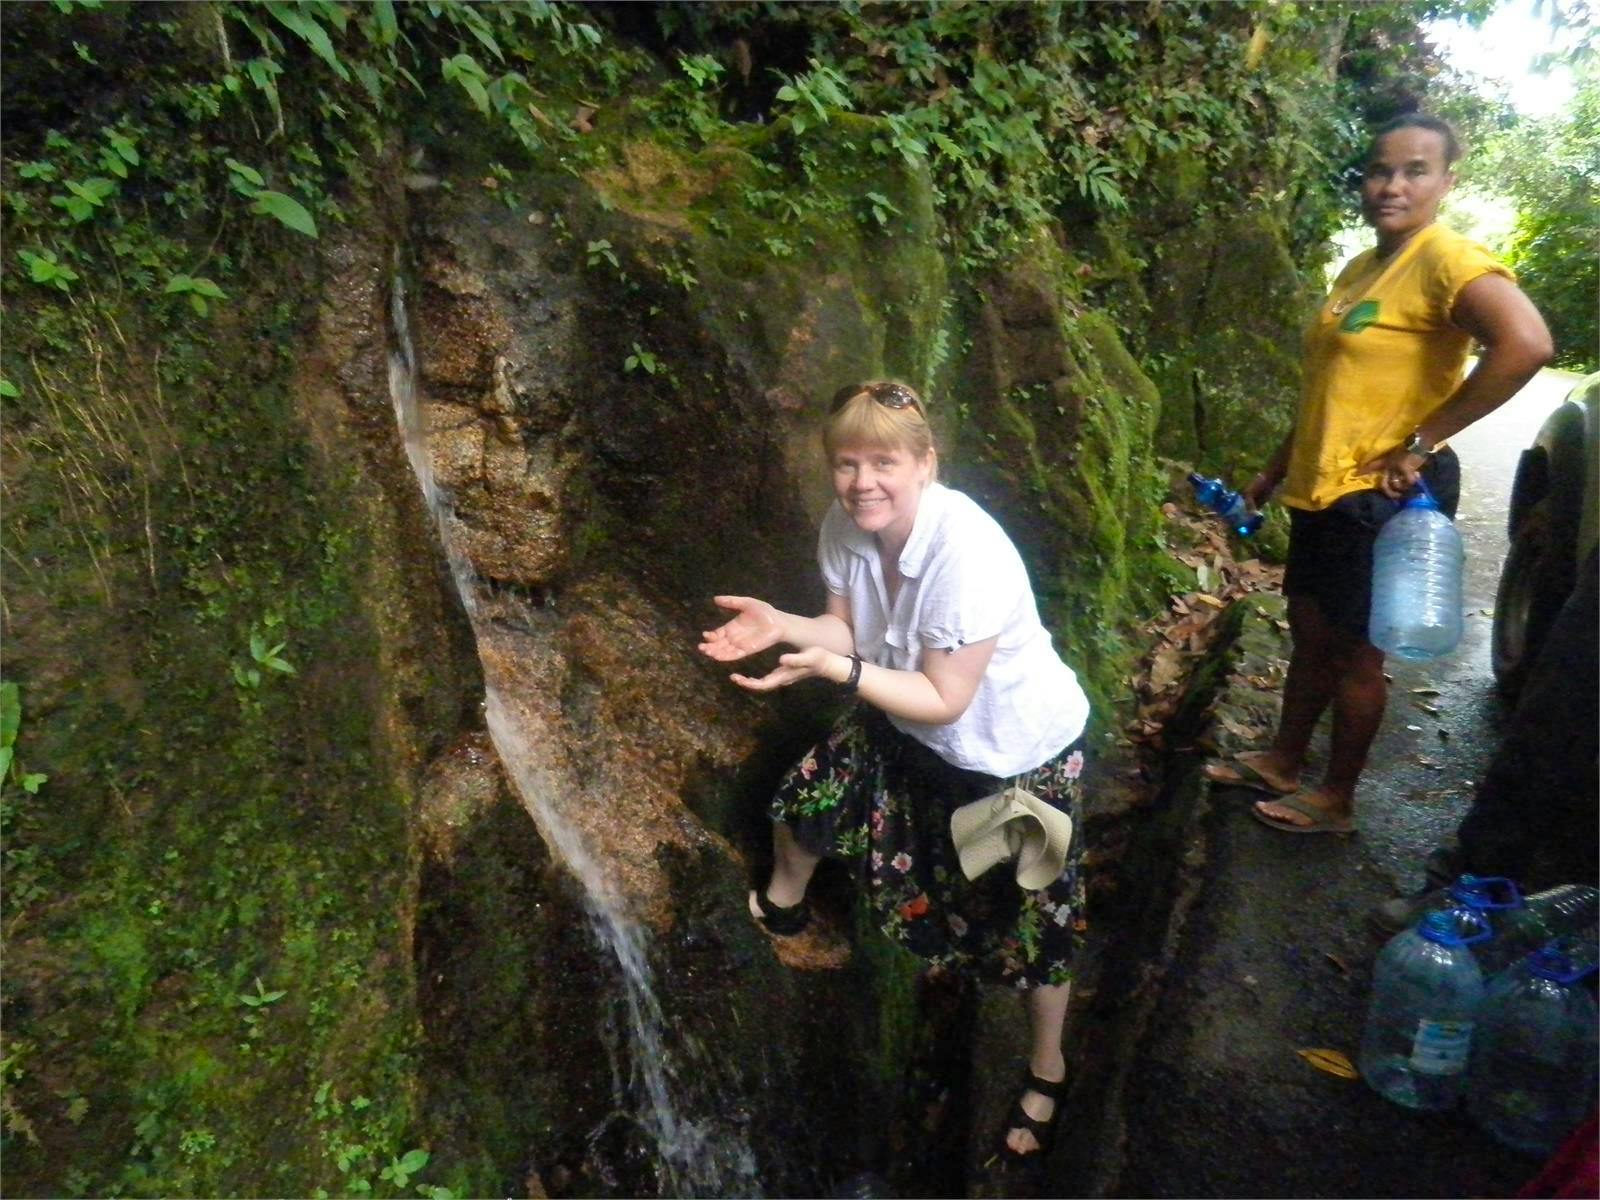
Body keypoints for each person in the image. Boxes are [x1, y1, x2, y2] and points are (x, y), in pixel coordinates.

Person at [697, 380, 1091, 1164]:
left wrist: (838, 675)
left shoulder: (966, 556)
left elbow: (945, 697)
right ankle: (784, 902)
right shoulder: (846, 528)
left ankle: (1048, 1065)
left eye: (883, 462)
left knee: (1036, 917)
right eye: (846, 464)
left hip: (1012, 756)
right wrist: (783, 624)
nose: (862, 481)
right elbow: (843, 630)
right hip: (906, 718)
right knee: (813, 791)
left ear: (925, 464)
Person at [1204, 113, 1554, 833]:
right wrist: (1272, 475)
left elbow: (1527, 344)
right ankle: (1283, 758)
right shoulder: (1361, 268)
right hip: (1324, 486)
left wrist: (1426, 441)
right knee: (1309, 630)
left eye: (1415, 170)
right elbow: (1326, 391)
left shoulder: (1448, 259)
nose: (1392, 185)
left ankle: (1336, 799)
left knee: (1359, 656)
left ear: (1447, 182)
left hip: (1386, 496)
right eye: (1379, 170)